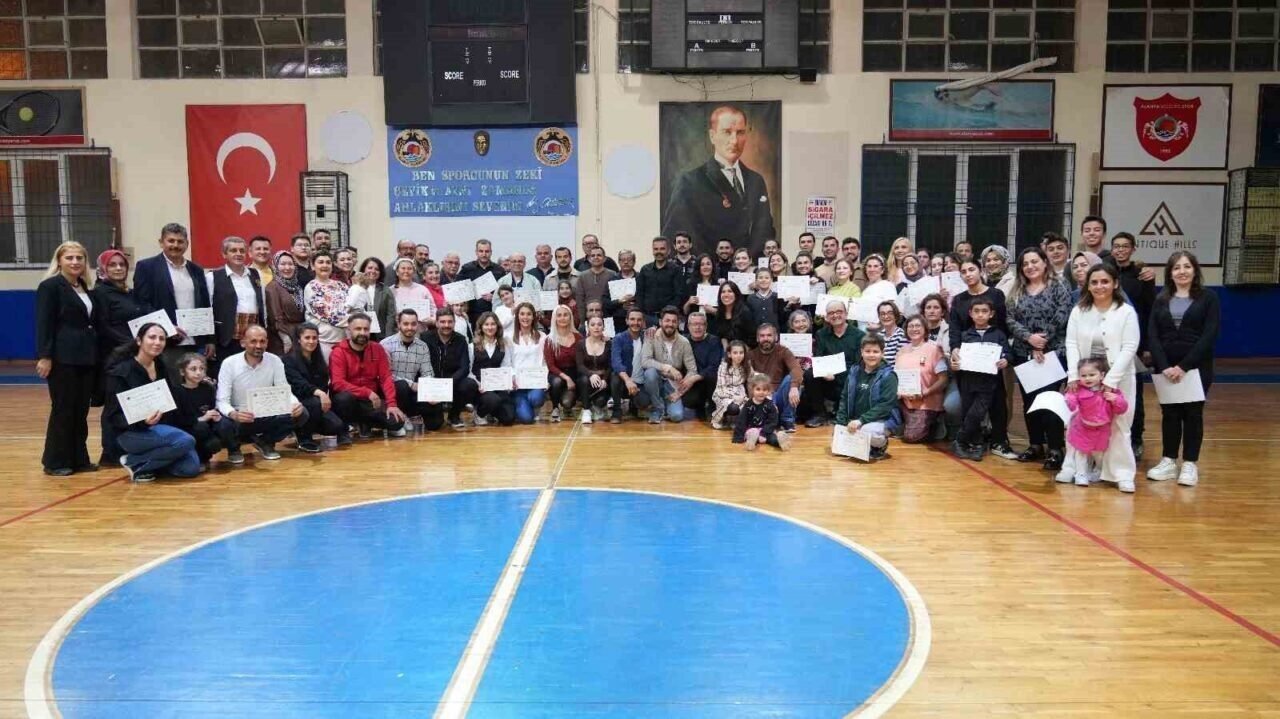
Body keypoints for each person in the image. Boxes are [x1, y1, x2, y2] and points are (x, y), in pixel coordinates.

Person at [1061, 263, 1140, 493]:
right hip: (1084, 379)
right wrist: (1074, 375)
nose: (1099, 286)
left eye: (1105, 281)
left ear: (1115, 284)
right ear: (1087, 285)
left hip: (1118, 378)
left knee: (1119, 425)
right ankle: (1076, 468)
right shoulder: (1079, 311)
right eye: (1094, 282)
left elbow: (1130, 347)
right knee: (1078, 422)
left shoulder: (1126, 312)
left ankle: (1122, 473)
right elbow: (1071, 343)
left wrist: (1111, 381)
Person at [661, 104, 776, 255]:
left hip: (749, 266)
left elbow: (765, 231)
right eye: (727, 132)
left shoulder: (756, 181)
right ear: (712, 136)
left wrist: (747, 261)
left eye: (740, 132)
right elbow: (676, 235)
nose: (734, 141)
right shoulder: (690, 182)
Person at [1146, 251, 1219, 488]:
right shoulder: (1161, 299)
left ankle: (1189, 463)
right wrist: (1165, 366)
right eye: (1176, 267)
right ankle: (1168, 461)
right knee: (1170, 414)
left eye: (1187, 266)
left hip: (1196, 367)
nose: (1182, 271)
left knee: (1193, 414)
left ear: (1195, 270)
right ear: (1170, 273)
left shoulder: (1208, 298)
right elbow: (1153, 335)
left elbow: (1209, 335)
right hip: (1166, 368)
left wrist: (1183, 366)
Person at [101, 323, 200, 481]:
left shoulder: (161, 366)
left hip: (158, 429)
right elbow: (113, 417)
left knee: (190, 468)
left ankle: (149, 464)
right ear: (139, 341)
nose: (157, 342)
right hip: (130, 433)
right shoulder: (121, 372)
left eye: (162, 338)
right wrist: (143, 421)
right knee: (186, 441)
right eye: (152, 337)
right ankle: (134, 461)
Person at [1005, 247, 1073, 470]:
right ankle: (1035, 444)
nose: (1030, 266)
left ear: (1044, 262)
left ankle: (1055, 448)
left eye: (1034, 261)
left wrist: (1041, 341)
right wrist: (1029, 339)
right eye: (1025, 263)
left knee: (1050, 400)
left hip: (1054, 354)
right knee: (1030, 401)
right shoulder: (1016, 290)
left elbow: (1062, 314)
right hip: (1025, 354)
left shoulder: (1059, 286)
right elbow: (1010, 319)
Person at [36, 241, 100, 476]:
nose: (75, 262)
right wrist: (45, 356)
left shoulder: (83, 286)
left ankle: (79, 458)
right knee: (63, 409)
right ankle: (55, 461)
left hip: (85, 357)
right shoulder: (50, 287)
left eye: (79, 258)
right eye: (69, 258)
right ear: (59, 261)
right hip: (63, 358)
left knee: (80, 410)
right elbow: (44, 323)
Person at [948, 258, 1015, 459]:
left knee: (997, 401)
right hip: (968, 361)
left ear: (980, 270)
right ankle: (972, 441)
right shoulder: (959, 300)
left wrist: (1002, 354)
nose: (968, 274)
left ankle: (999, 441)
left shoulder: (996, 294)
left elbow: (1003, 325)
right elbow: (954, 330)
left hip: (991, 358)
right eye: (964, 271)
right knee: (970, 404)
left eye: (972, 269)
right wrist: (955, 350)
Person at [92, 249, 152, 466]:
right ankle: (110, 453)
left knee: (133, 402)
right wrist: (132, 344)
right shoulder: (100, 293)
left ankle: (130, 448)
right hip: (115, 357)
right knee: (114, 405)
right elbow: (103, 327)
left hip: (135, 355)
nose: (118, 268)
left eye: (122, 264)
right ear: (103, 269)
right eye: (112, 265)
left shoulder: (130, 293)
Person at [215, 325, 308, 460]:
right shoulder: (229, 363)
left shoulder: (275, 360)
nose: (258, 345)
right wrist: (234, 414)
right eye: (253, 341)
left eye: (262, 341)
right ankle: (234, 449)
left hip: (266, 413)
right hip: (240, 414)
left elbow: (284, 389)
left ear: (267, 343)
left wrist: (295, 404)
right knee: (223, 424)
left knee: (302, 413)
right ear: (243, 343)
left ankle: (265, 442)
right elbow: (221, 400)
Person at [133, 223, 213, 371]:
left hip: (196, 341)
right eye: (171, 241)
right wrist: (167, 326)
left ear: (187, 244)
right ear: (161, 242)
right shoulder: (146, 267)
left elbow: (205, 304)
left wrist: (209, 339)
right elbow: (142, 304)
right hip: (165, 341)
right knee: (172, 381)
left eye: (180, 241)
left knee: (194, 381)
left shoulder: (196, 270)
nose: (175, 245)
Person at [1108, 232, 1157, 460]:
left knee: (1134, 394)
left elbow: (1148, 311)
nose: (1120, 250)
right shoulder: (1106, 271)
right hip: (1109, 343)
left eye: (1125, 246)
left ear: (1133, 249)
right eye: (1117, 246)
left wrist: (1146, 346)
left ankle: (1136, 439)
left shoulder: (1142, 275)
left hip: (1133, 344)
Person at [328, 313, 408, 439]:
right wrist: (366, 392)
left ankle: (367, 423)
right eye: (358, 329)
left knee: (401, 393)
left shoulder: (377, 348)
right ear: (349, 330)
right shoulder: (338, 352)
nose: (362, 333)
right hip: (352, 399)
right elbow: (338, 384)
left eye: (366, 329)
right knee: (344, 398)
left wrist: (392, 404)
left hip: (371, 400)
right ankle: (352, 425)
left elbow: (386, 377)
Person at [950, 298, 1009, 461]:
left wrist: (1005, 360)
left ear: (991, 314)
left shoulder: (998, 334)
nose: (980, 315)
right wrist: (955, 364)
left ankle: (960, 440)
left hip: (988, 383)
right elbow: (957, 358)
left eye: (984, 311)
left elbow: (1008, 353)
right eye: (976, 311)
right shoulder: (965, 335)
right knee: (968, 412)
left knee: (977, 413)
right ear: (970, 313)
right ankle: (974, 444)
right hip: (968, 382)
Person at [1062, 358, 1129, 487]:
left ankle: (1099, 471)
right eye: (1083, 375)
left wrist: (1115, 399)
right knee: (1081, 451)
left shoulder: (1110, 390)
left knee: (1099, 453)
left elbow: (1122, 409)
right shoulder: (1077, 390)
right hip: (1082, 427)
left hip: (1102, 429)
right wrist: (1068, 399)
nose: (1088, 378)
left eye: (1092, 374)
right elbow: (1071, 403)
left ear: (1102, 375)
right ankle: (1081, 474)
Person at [283, 323, 351, 449]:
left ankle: (342, 433)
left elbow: (324, 383)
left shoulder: (319, 359)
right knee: (314, 402)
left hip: (317, 403)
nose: (311, 341)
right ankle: (304, 438)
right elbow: (299, 384)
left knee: (336, 425)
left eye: (314, 338)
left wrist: (322, 396)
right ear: (299, 340)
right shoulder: (288, 360)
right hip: (298, 404)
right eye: (307, 338)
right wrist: (319, 393)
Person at [168, 352, 239, 468]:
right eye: (193, 369)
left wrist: (216, 415)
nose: (198, 372)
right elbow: (178, 419)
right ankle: (195, 455)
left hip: (207, 427)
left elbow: (212, 407)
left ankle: (232, 450)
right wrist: (201, 419)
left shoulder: (207, 388)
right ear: (182, 372)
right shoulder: (177, 392)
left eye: (202, 369)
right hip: (189, 428)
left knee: (224, 425)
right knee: (201, 427)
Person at [834, 334, 897, 461]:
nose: (871, 355)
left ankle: (879, 446)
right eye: (867, 351)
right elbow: (844, 398)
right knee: (838, 437)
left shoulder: (889, 376)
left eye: (875, 351)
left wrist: (861, 421)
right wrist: (840, 423)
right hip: (855, 420)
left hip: (880, 420)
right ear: (861, 352)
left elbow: (885, 406)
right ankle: (861, 445)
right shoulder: (854, 371)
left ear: (882, 353)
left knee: (866, 431)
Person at [803, 300, 865, 428]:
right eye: (831, 313)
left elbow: (858, 363)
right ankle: (820, 414)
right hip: (828, 377)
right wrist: (823, 372)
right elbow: (818, 358)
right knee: (809, 374)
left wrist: (839, 373)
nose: (835, 315)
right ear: (826, 317)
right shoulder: (821, 334)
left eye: (839, 312)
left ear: (846, 314)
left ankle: (843, 412)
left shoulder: (859, 335)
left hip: (849, 378)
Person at [380, 309, 445, 432]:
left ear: (417, 325)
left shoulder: (422, 346)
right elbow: (385, 375)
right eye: (405, 324)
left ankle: (414, 414)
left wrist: (431, 392)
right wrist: (411, 384)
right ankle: (403, 416)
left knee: (436, 423)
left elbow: (427, 373)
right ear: (399, 324)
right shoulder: (385, 344)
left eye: (413, 324)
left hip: (412, 391)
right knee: (402, 386)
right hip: (392, 390)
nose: (410, 327)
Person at [205, 236, 267, 365]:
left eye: (241, 251)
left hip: (252, 338)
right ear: (224, 254)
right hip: (226, 338)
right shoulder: (213, 277)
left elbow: (262, 305)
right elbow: (207, 310)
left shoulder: (255, 274)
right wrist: (210, 340)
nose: (238, 254)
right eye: (233, 250)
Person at [640, 306, 698, 423]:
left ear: (678, 324)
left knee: (677, 416)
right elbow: (645, 361)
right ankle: (658, 408)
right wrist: (668, 368)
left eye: (673, 321)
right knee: (650, 373)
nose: (670, 324)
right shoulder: (651, 336)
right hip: (656, 380)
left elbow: (692, 370)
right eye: (667, 320)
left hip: (672, 385)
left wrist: (679, 392)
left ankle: (664, 404)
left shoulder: (684, 342)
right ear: (660, 322)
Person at [897, 315, 949, 443]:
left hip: (926, 402)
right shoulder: (901, 351)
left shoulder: (935, 349)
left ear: (925, 329)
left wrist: (924, 393)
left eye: (918, 326)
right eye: (911, 326)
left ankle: (936, 423)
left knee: (911, 437)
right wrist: (900, 393)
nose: (914, 329)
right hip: (904, 401)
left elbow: (943, 380)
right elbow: (896, 378)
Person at [425, 308, 478, 429]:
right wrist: (432, 384)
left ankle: (454, 415)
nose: (446, 325)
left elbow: (464, 367)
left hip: (453, 382)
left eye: (450, 322)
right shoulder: (425, 338)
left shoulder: (461, 339)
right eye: (442, 322)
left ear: (454, 323)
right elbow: (422, 363)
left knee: (469, 384)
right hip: (432, 383)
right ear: (436, 323)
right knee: (434, 425)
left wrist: (448, 383)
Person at [746, 323, 803, 432]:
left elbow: (796, 369)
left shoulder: (783, 351)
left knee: (791, 379)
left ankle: (787, 421)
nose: (765, 338)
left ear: (776, 337)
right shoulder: (751, 355)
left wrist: (794, 387)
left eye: (769, 335)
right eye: (762, 336)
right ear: (757, 338)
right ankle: (769, 420)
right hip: (762, 396)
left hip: (779, 395)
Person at [469, 311, 517, 426]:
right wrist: (478, 384)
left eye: (493, 324)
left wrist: (510, 379)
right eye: (486, 324)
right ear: (481, 327)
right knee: (493, 400)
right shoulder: (472, 346)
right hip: (481, 388)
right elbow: (469, 371)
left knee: (509, 418)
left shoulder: (503, 344)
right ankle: (479, 414)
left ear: (497, 326)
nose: (490, 327)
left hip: (498, 386)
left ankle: (491, 412)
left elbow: (506, 366)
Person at [609, 308, 653, 423]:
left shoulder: (647, 338)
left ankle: (634, 405)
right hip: (624, 382)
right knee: (615, 377)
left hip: (639, 382)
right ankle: (617, 410)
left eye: (639, 320)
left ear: (643, 322)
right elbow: (616, 362)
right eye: (632, 319)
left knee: (644, 402)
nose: (635, 323)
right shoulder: (619, 338)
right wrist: (628, 380)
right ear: (627, 321)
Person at [509, 302, 548, 424]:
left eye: (528, 314)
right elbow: (507, 362)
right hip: (518, 386)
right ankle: (519, 406)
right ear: (517, 316)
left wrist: (545, 379)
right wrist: (512, 377)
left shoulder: (542, 336)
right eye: (522, 314)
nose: (525, 317)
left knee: (537, 398)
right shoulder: (508, 337)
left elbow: (545, 361)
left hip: (535, 382)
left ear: (533, 317)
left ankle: (532, 406)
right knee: (526, 419)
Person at [304, 252, 348, 359]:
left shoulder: (342, 286)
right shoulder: (311, 287)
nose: (325, 265)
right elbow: (329, 315)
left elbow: (353, 307)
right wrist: (352, 321)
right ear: (313, 266)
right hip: (324, 341)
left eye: (328, 262)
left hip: (345, 339)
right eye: (321, 262)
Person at [732, 373, 792, 451]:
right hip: (752, 429)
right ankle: (751, 442)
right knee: (751, 434)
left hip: (766, 431)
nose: (761, 392)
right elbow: (742, 420)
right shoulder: (748, 405)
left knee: (772, 438)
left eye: (764, 390)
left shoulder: (770, 405)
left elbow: (773, 421)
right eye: (758, 389)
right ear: (752, 390)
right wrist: (738, 437)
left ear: (768, 391)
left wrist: (763, 433)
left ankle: (780, 441)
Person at [544, 304, 581, 422]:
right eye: (559, 315)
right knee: (557, 381)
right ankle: (555, 407)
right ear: (554, 319)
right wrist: (566, 378)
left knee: (567, 403)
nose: (562, 318)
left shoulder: (578, 337)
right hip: (557, 373)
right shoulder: (549, 340)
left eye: (566, 315)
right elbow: (550, 365)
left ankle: (567, 405)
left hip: (574, 374)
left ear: (570, 317)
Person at [264, 251, 306, 355]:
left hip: (300, 335)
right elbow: (275, 317)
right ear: (275, 266)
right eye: (282, 264)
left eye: (290, 264)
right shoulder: (272, 287)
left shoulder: (298, 287)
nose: (287, 268)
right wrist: (285, 338)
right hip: (283, 339)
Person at [636, 237, 685, 326]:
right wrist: (642, 314)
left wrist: (668, 314)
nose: (659, 252)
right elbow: (639, 294)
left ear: (668, 251)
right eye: (656, 249)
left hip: (669, 318)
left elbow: (679, 295)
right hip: (647, 317)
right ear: (652, 251)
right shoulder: (645, 269)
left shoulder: (676, 270)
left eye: (662, 249)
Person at [344, 257, 395, 342]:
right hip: (358, 332)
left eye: (377, 269)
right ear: (363, 270)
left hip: (380, 335)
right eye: (370, 268)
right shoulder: (354, 288)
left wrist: (388, 337)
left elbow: (391, 316)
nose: (373, 271)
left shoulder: (386, 290)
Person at [683, 311, 722, 420]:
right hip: (692, 382)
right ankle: (699, 408)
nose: (698, 327)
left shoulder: (714, 341)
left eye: (701, 324)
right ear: (688, 326)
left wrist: (695, 378)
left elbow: (714, 366)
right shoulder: (683, 340)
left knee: (713, 376)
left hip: (709, 381)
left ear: (706, 326)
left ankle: (713, 408)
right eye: (694, 324)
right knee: (689, 401)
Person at [575, 315, 613, 424]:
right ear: (588, 327)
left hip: (602, 381)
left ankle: (597, 405)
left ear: (603, 327)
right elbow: (580, 365)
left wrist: (605, 379)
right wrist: (590, 375)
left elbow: (610, 366)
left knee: (600, 402)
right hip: (586, 380)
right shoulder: (581, 344)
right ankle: (586, 410)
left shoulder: (609, 344)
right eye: (593, 325)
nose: (596, 327)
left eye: (599, 324)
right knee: (583, 379)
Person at [711, 340, 750, 430]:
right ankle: (721, 418)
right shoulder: (723, 367)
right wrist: (734, 397)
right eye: (735, 353)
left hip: (740, 393)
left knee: (747, 406)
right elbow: (721, 386)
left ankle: (734, 421)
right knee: (733, 407)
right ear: (729, 354)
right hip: (723, 393)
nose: (739, 355)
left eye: (741, 353)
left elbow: (753, 376)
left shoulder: (746, 365)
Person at [460, 239, 502, 321]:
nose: (484, 254)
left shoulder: (499, 270)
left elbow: (505, 293)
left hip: (493, 315)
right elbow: (458, 289)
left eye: (487, 251)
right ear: (476, 252)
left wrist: (494, 297)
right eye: (481, 251)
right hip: (471, 315)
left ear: (491, 252)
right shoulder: (467, 269)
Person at [711, 281, 756, 349]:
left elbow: (753, 338)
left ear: (736, 294)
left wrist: (739, 352)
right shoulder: (720, 313)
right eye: (723, 292)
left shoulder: (745, 312)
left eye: (730, 291)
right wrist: (727, 351)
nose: (726, 295)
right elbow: (722, 336)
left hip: (745, 350)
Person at [874, 301, 906, 366]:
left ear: (896, 315)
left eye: (890, 313)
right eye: (882, 314)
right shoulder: (878, 336)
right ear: (879, 317)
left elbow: (900, 363)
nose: (886, 316)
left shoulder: (902, 336)